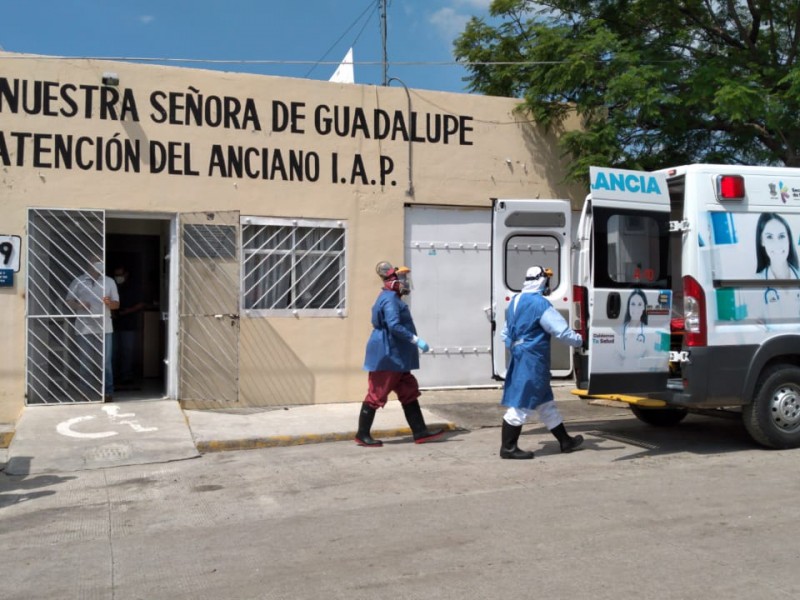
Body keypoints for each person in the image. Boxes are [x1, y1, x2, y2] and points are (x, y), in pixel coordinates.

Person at [355, 261, 444, 447]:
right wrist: (415, 339)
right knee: (377, 393)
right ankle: (362, 434)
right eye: (401, 279)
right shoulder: (389, 299)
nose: (405, 282)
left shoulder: (393, 298)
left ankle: (420, 432)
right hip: (388, 354)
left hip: (398, 356)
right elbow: (394, 325)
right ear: (392, 280)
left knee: (408, 391)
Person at [499, 266, 584, 459]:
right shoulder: (540, 304)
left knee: (546, 404)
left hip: (521, 356)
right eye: (547, 281)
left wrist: (518, 347)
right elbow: (560, 331)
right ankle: (508, 448)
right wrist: (580, 341)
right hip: (533, 360)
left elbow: (505, 334)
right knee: (521, 404)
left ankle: (565, 441)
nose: (549, 285)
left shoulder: (515, 301)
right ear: (541, 281)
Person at [66, 256, 119, 401]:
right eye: (95, 261)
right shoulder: (79, 281)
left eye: (100, 261)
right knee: (85, 362)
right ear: (88, 263)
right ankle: (85, 393)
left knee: (105, 362)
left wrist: (109, 303)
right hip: (84, 328)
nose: (98, 264)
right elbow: (69, 301)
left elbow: (116, 305)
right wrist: (79, 305)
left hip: (105, 328)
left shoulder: (109, 282)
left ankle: (108, 392)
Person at [755, 212, 800, 321]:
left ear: (789, 239)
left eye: (781, 236)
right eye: (769, 237)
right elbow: (752, 329)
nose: (777, 244)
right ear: (762, 241)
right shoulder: (754, 282)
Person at [112, 265, 147, 387]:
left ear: (126, 274)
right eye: (116, 275)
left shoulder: (133, 288)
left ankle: (126, 375)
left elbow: (141, 304)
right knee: (113, 351)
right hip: (113, 324)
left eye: (120, 275)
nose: (118, 277)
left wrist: (126, 312)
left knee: (127, 351)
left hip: (129, 324)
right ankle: (113, 375)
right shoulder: (112, 286)